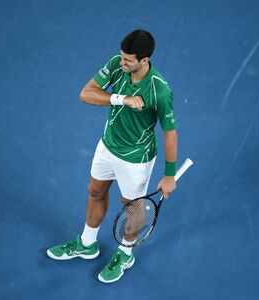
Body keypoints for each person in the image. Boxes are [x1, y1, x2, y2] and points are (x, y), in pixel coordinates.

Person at [47, 29, 178, 283]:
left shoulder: (159, 90)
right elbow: (86, 93)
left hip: (135, 158)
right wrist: (122, 99)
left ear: (144, 60)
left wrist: (169, 174)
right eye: (121, 57)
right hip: (107, 146)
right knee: (95, 190)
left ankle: (126, 253)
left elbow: (170, 133)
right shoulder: (117, 66)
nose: (122, 63)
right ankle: (87, 244)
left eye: (128, 60)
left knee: (133, 206)